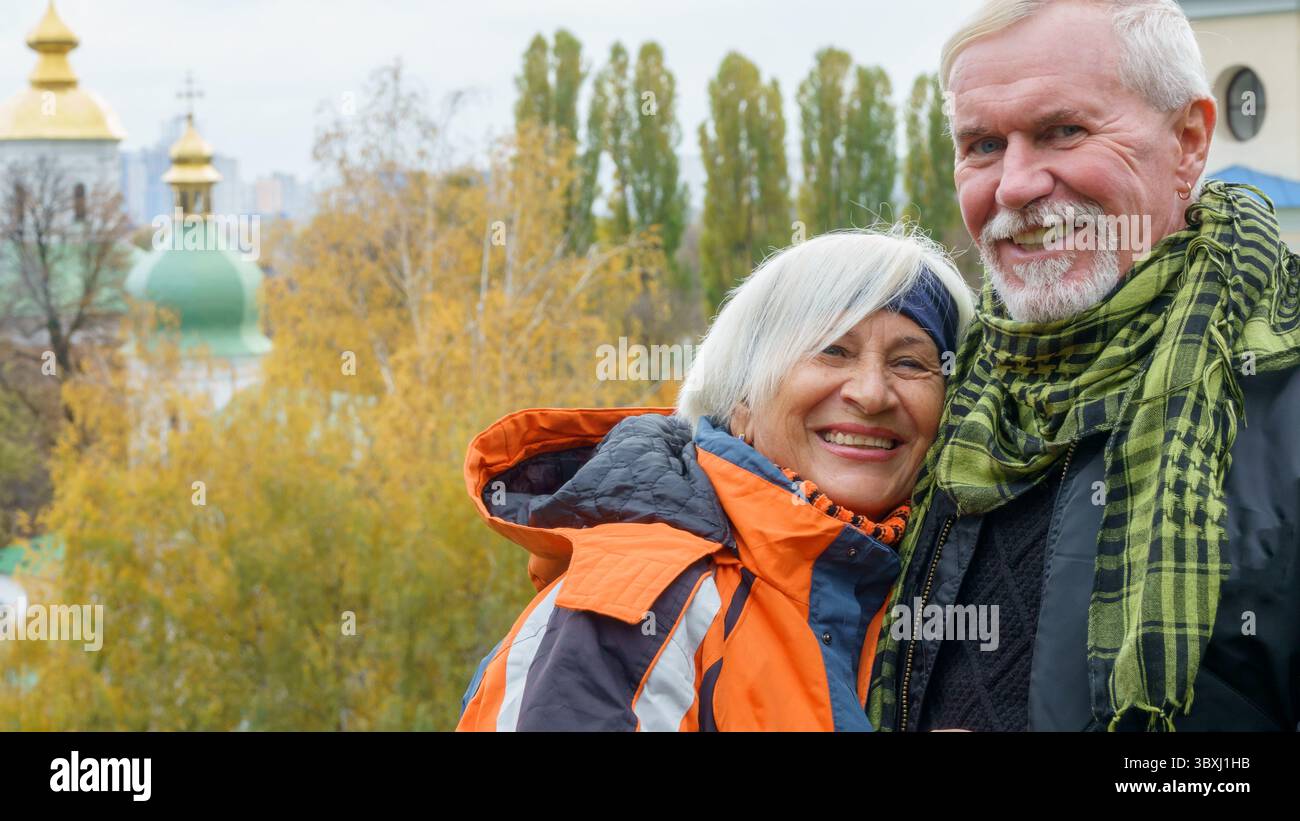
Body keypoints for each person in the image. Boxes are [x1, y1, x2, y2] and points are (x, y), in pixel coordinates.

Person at [869, 0, 1300, 732]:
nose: (1014, 186)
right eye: (980, 145)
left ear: (1189, 139)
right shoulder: (947, 392)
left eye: (1062, 131)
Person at [457, 229, 973, 731]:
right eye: (832, 350)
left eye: (910, 362)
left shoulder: (938, 592)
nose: (871, 393)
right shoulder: (636, 603)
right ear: (741, 402)